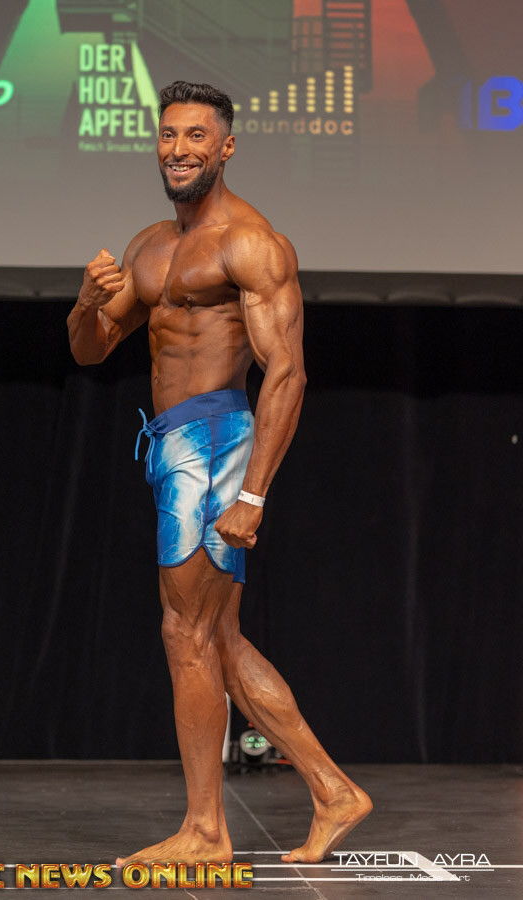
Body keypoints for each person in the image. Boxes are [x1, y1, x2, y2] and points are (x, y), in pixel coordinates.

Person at [66, 80, 372, 866]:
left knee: (186, 633)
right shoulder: (149, 246)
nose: (179, 149)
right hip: (172, 445)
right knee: (219, 640)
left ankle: (205, 832)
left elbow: (287, 373)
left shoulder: (252, 243)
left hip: (214, 446)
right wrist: (85, 302)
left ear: (226, 147)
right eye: (169, 135)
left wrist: (253, 494)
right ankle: (334, 792)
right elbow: (92, 349)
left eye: (196, 136)